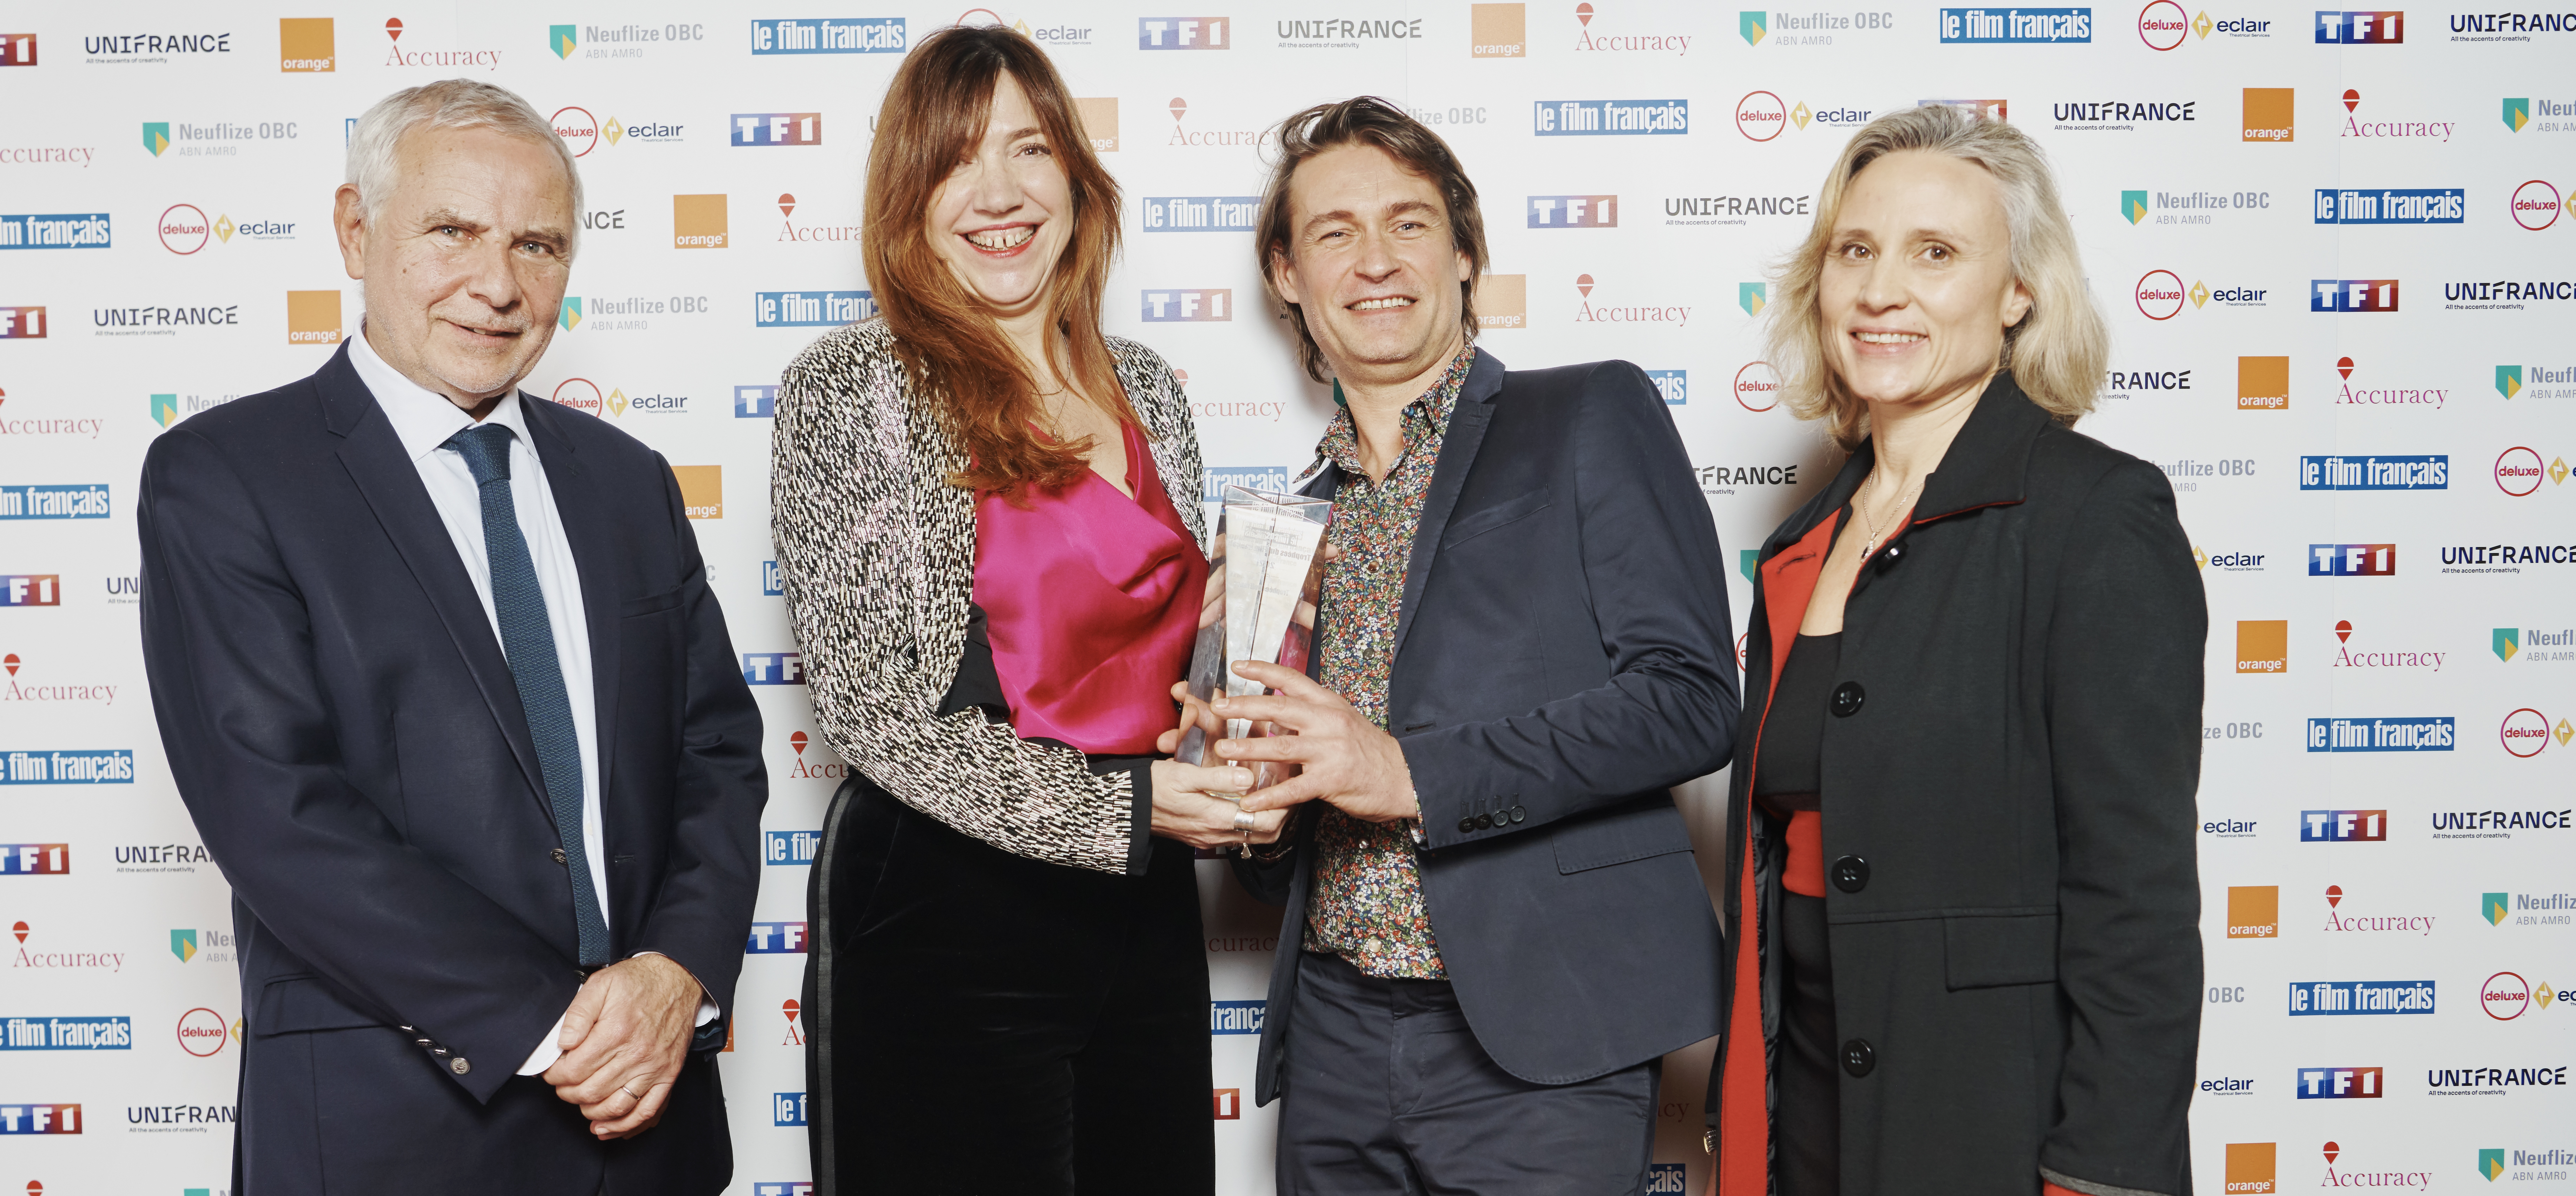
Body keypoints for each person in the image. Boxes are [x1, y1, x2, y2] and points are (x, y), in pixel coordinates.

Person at [135, 79, 767, 1194]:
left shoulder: (628, 484)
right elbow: (273, 806)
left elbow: (715, 754)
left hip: (648, 1131)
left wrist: (675, 976)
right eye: (452, 232)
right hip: (393, 1129)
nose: (498, 284)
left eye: (538, 244)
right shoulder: (227, 477)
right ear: (355, 229)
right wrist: (556, 1027)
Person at [1185, 97, 1739, 1196]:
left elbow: (1690, 700)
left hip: (1545, 1031)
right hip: (1337, 1032)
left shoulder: (1586, 414)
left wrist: (1405, 773)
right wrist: (1241, 798)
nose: (1376, 260)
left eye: (1409, 223)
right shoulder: (1277, 527)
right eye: (1334, 233)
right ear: (1288, 275)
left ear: (1466, 251)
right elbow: (1271, 842)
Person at [769, 25, 1272, 1196]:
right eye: (955, 162)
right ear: (909, 200)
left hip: (1141, 903)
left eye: (1028, 150)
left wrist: (1231, 758)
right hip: (945, 903)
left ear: (1076, 181)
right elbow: (871, 709)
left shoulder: (1144, 385)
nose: (997, 194)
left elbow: (1174, 665)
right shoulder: (853, 388)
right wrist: (1129, 807)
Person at [1704, 104, 2204, 1196]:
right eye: (1856, 250)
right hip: (1808, 1116)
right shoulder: (1799, 549)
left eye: (1935, 254)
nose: (1882, 289)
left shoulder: (2095, 517)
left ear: (2017, 291)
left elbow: (2138, 902)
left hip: (1993, 1125)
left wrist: (2101, 1174)